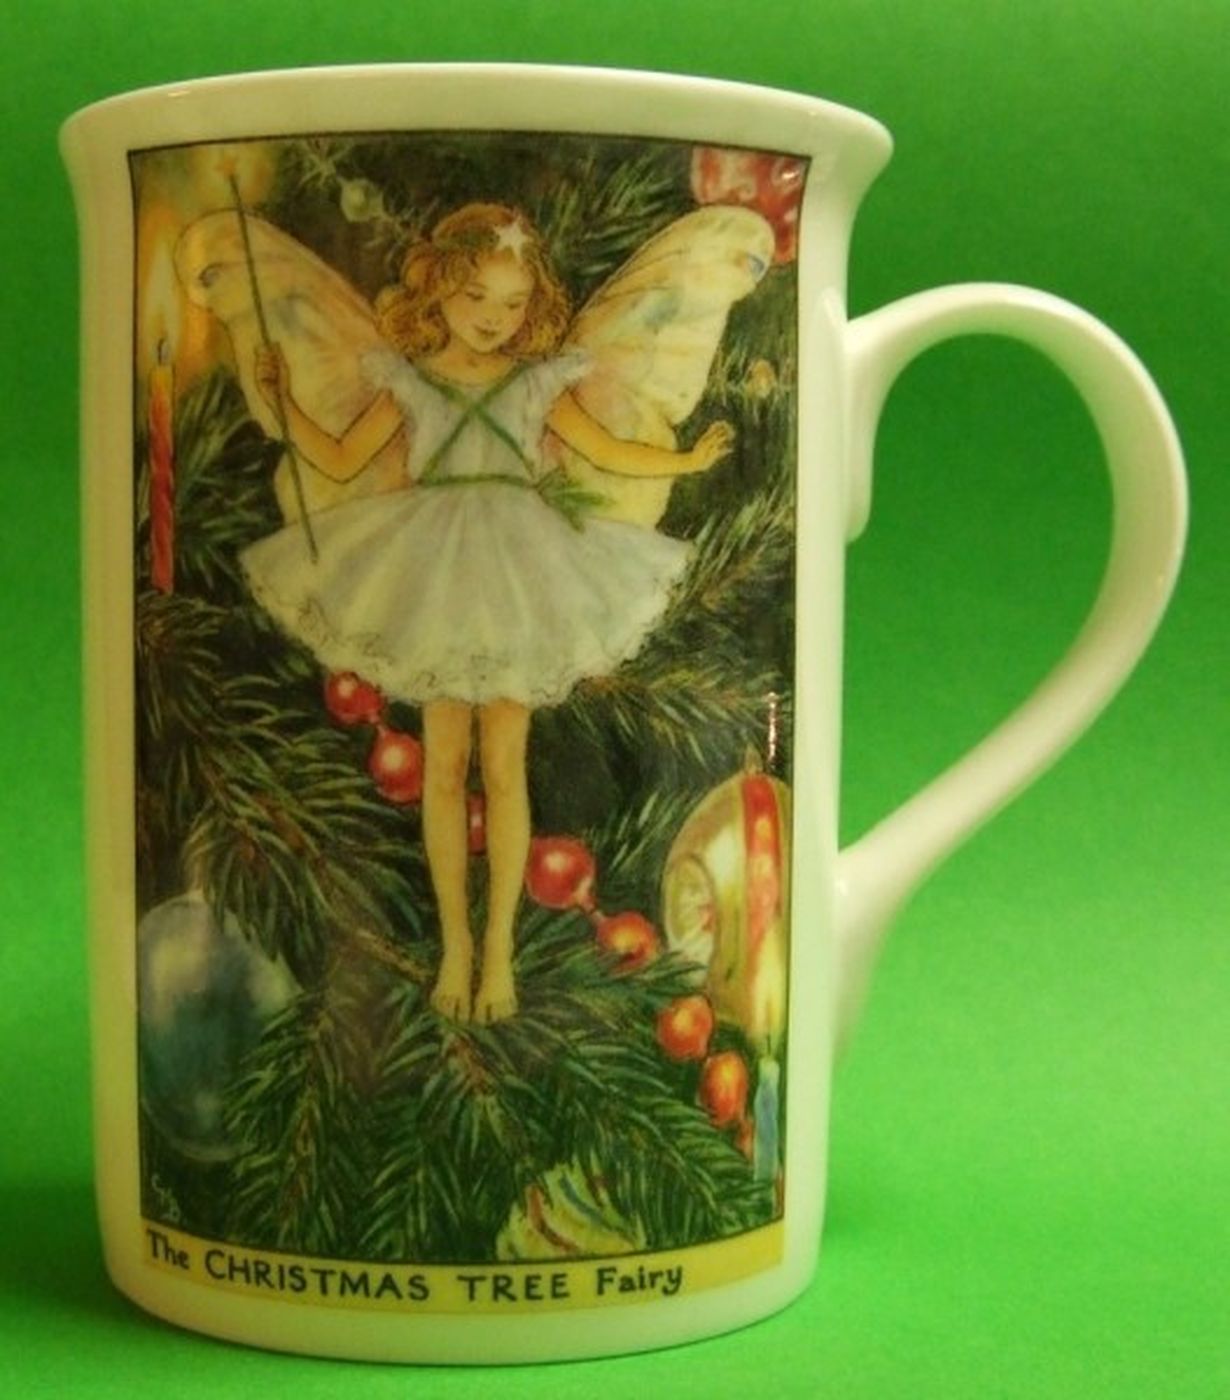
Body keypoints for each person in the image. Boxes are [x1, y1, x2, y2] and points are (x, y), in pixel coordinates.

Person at [244, 201, 732, 1024]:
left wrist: (684, 460)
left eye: (511, 303)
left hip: (518, 571)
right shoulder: (408, 381)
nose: (493, 318)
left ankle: (498, 949)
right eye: (475, 298)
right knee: (443, 768)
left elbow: (604, 451)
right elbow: (340, 457)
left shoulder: (536, 382)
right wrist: (279, 398)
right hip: (433, 567)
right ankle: (455, 948)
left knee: (504, 767)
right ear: (437, 289)